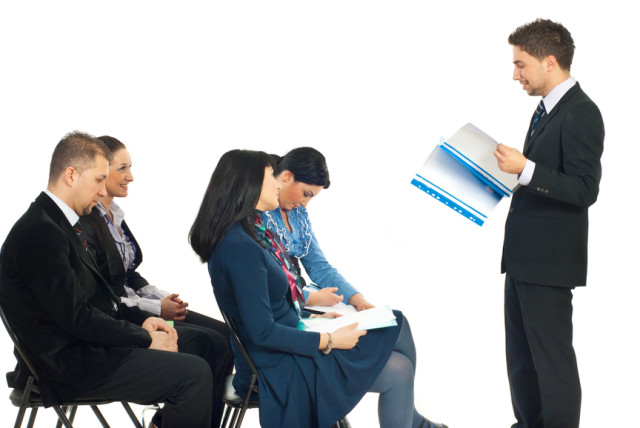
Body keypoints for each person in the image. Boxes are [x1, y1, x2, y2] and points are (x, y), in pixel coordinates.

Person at [189, 149, 446, 428]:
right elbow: (262, 331)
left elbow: (273, 300)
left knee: (395, 323)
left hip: (290, 341)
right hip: (278, 363)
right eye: (269, 177)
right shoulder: (241, 246)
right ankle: (415, 422)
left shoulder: (250, 232)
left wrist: (315, 319)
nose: (276, 183)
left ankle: (413, 420)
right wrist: (330, 340)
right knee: (398, 369)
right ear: (247, 185)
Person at [0, 131, 219, 428]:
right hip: (71, 365)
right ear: (71, 175)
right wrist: (144, 337)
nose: (103, 190)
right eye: (99, 180)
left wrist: (142, 321)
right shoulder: (41, 232)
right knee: (193, 374)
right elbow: (77, 318)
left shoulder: (60, 224)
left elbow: (97, 298)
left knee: (205, 344)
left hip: (88, 348)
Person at [493, 19, 605, 428]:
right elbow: (545, 179)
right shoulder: (546, 110)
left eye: (521, 65)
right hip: (524, 258)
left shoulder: (581, 113)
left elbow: (583, 189)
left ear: (550, 61)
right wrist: (511, 175)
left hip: (549, 262)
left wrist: (526, 170)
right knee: (521, 360)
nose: (515, 75)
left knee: (552, 362)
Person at [80, 135, 234, 427]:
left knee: (225, 336)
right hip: (123, 317)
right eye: (122, 168)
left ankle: (177, 421)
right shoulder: (86, 223)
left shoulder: (115, 216)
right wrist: (155, 309)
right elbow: (105, 294)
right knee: (208, 345)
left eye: (130, 167)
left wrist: (162, 299)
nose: (130, 177)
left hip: (138, 304)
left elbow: (128, 274)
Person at [263, 147, 374, 311]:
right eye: (306, 194)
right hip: (278, 310)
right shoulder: (259, 214)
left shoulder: (298, 216)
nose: (304, 203)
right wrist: (311, 299)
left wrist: (357, 299)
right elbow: (262, 282)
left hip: (297, 304)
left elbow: (318, 266)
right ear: (287, 177)